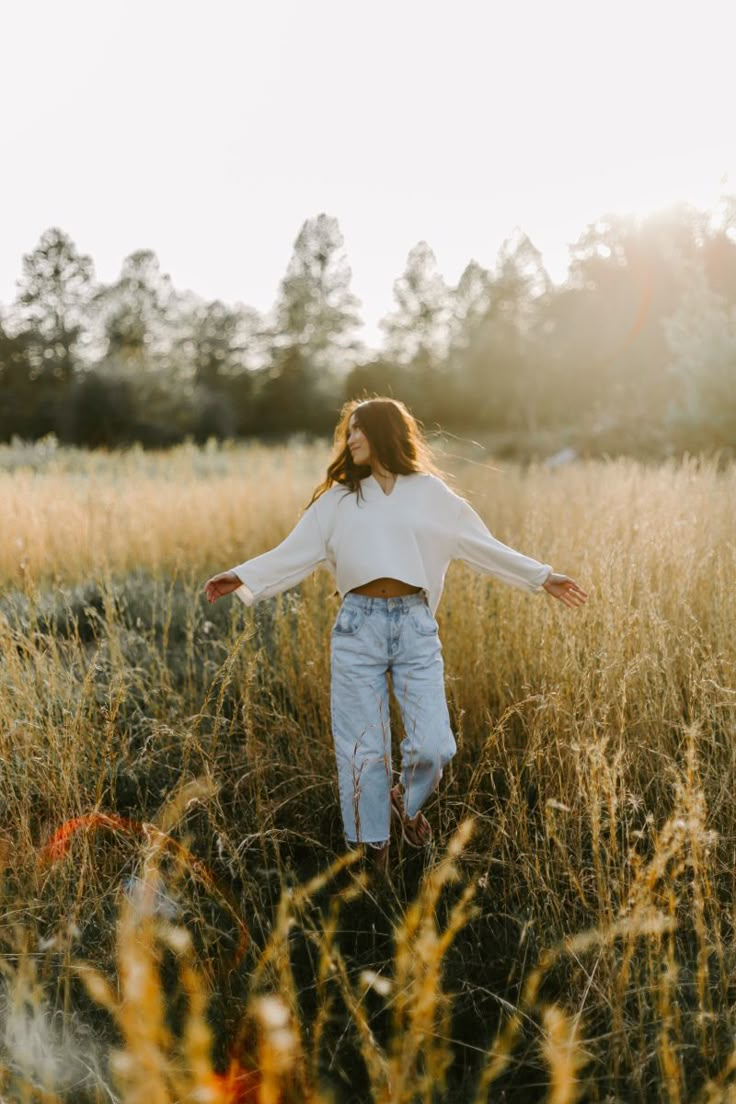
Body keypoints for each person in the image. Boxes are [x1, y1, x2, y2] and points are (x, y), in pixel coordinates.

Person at [204, 397, 588, 876]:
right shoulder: (339, 500)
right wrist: (241, 575)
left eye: (359, 430)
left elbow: (481, 546)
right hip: (356, 627)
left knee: (433, 746)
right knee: (363, 751)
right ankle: (376, 865)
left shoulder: (430, 494)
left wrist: (542, 577)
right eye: (348, 432)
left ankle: (405, 802)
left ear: (385, 432)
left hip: (414, 626)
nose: (351, 440)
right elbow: (294, 551)